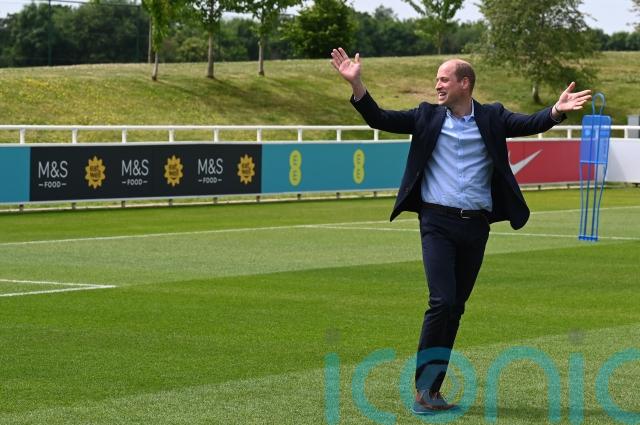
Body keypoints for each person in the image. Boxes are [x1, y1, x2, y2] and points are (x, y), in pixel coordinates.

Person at [330, 47, 591, 414]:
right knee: (441, 301)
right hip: (436, 223)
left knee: (455, 308)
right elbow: (379, 117)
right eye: (437, 79)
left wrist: (556, 111)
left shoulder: (492, 116)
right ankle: (423, 390)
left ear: (464, 84)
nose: (437, 85)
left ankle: (433, 391)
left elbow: (529, 123)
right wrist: (356, 84)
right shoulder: (425, 115)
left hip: (476, 226)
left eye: (444, 79)